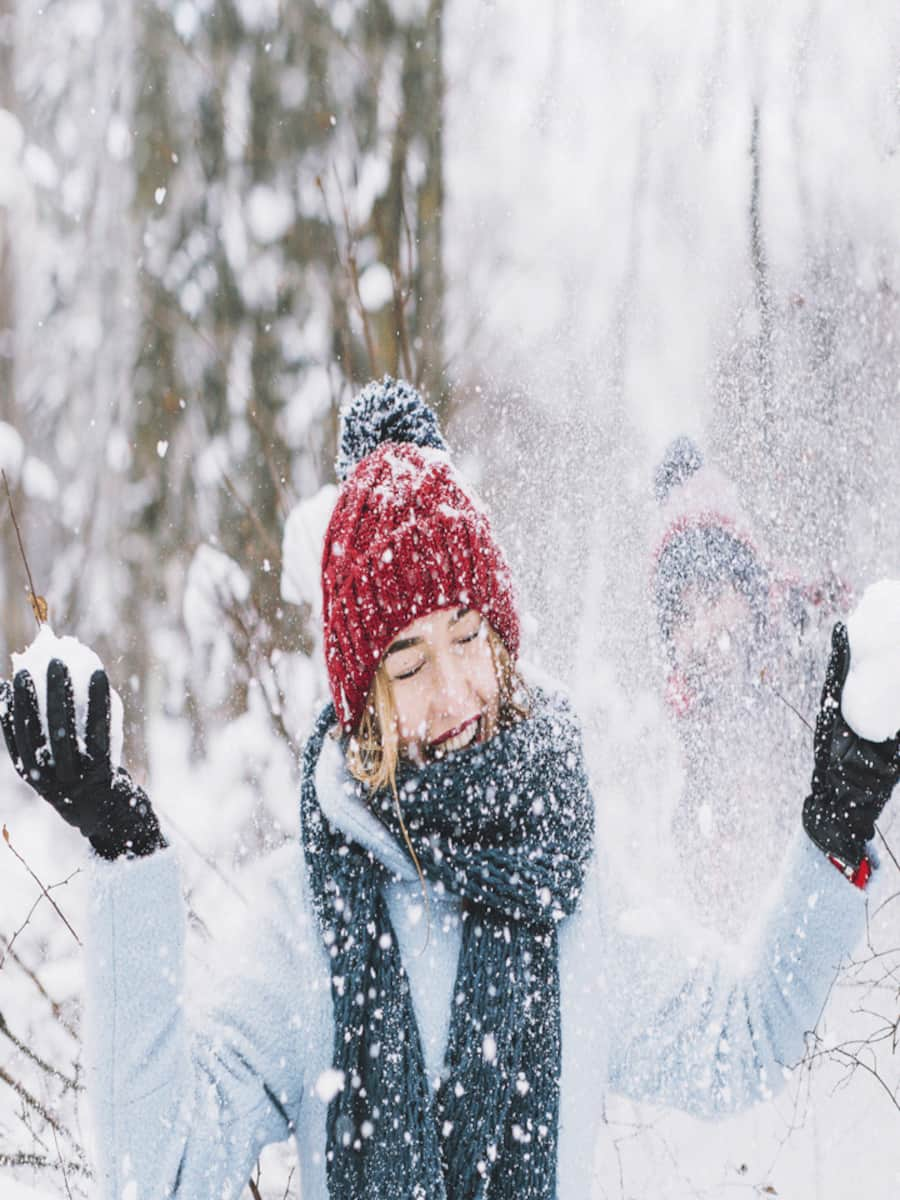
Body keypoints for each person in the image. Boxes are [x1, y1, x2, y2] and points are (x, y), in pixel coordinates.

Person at [1, 377, 897, 1200]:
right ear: (363, 700)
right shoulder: (307, 924)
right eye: (408, 659)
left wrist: (839, 815)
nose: (456, 692)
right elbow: (161, 1173)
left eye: (469, 637)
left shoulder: (571, 896)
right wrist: (125, 852)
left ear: (504, 642)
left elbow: (750, 1038)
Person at [651, 437, 854, 935]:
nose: (701, 630)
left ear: (751, 590)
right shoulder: (693, 712)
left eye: (715, 597)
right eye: (683, 615)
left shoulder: (818, 651)